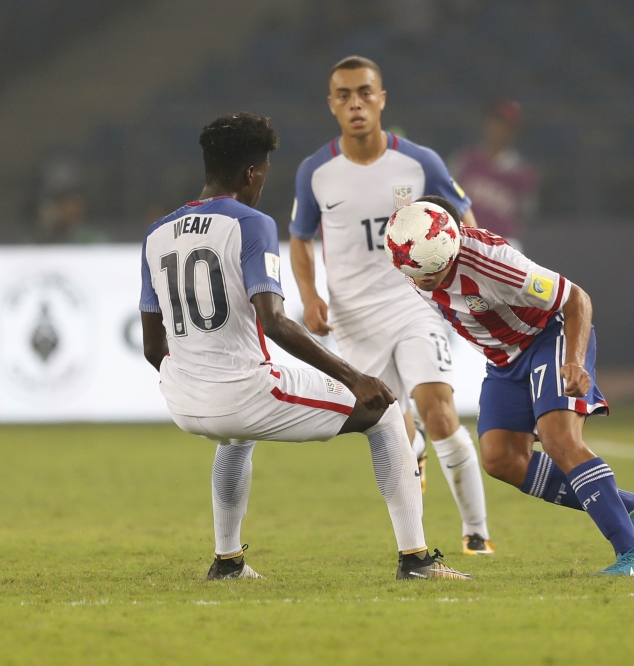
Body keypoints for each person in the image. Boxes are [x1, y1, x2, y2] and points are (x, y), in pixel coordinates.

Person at [139, 112, 470, 581]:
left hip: (181, 399)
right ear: (251, 173)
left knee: (235, 439)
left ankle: (228, 562)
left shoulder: (157, 233)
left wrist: (195, 379)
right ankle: (415, 561)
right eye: (263, 175)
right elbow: (273, 321)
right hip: (240, 393)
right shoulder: (250, 223)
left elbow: (154, 347)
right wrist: (354, 377)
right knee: (385, 411)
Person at [385, 195, 634, 576]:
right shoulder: (411, 253)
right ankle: (632, 507)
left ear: (450, 248)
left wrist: (573, 360)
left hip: (547, 337)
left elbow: (575, 299)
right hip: (503, 360)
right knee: (501, 459)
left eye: (432, 273)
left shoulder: (494, 262)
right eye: (416, 275)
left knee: (559, 439)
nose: (423, 281)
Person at [289, 56, 494, 555]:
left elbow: (462, 219)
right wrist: (311, 295)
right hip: (354, 320)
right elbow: (299, 238)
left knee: (438, 408)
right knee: (394, 426)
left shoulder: (420, 163)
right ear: (332, 104)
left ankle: (476, 534)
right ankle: (415, 461)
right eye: (344, 95)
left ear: (382, 99)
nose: (356, 103)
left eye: (365, 92)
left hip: (415, 303)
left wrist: (471, 278)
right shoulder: (316, 172)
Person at [449, 99, 538, 243]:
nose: (497, 128)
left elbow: (527, 213)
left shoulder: (521, 172)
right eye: (495, 122)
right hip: (466, 240)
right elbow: (445, 197)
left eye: (504, 125)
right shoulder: (465, 160)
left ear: (512, 131)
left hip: (504, 243)